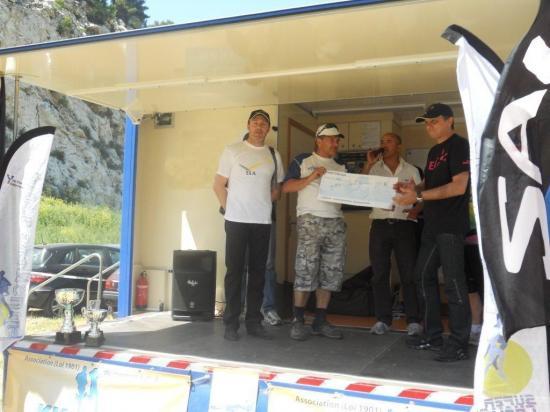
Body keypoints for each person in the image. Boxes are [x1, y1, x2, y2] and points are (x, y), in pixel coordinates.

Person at [394, 103, 472, 362]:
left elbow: (459, 186)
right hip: (432, 225)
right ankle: (433, 335)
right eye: (426, 122)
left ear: (450, 120)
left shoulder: (459, 145)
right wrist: (412, 188)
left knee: (453, 283)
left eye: (434, 121)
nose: (429, 126)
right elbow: (431, 182)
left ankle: (459, 343)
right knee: (422, 276)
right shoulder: (434, 151)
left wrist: (418, 197)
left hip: (451, 226)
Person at [213, 109, 284, 341]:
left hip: (262, 222)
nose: (259, 127)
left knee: (258, 273)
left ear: (268, 128)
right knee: (234, 272)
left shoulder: (273, 154)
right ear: (248, 125)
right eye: (255, 122)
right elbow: (218, 185)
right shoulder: (232, 150)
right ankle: (231, 324)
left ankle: (254, 322)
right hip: (236, 221)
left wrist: (262, 202)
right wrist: (229, 209)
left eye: (264, 123)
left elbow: (277, 189)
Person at [282, 123, 346, 341]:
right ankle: (298, 320)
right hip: (310, 220)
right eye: (331, 139)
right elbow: (286, 187)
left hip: (335, 222)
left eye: (337, 139)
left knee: (330, 272)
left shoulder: (341, 165)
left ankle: (320, 320)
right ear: (318, 140)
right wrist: (311, 177)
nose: (335, 143)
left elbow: (353, 192)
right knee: (305, 269)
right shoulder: (303, 160)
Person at [362, 132, 422, 336]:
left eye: (388, 141)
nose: (384, 144)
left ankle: (413, 320)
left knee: (409, 273)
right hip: (380, 225)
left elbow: (420, 197)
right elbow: (359, 187)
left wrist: (415, 211)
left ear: (399, 145)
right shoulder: (374, 169)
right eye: (382, 141)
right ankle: (382, 320)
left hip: (405, 225)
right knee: (379, 273)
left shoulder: (411, 170)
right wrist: (368, 164)